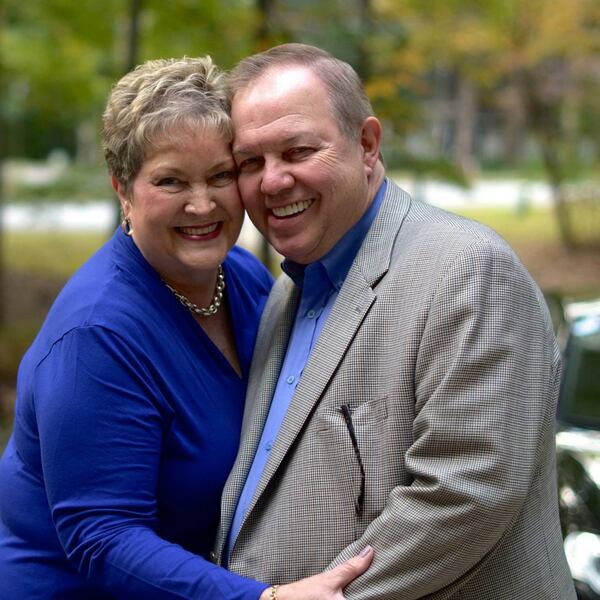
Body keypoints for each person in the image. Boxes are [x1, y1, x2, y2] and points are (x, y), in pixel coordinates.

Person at [214, 43, 577, 599]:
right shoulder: (287, 293)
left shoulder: (467, 270)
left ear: (367, 144)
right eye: (250, 163)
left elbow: (465, 491)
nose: (272, 181)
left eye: (298, 151)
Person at [0, 56, 372, 600]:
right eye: (171, 180)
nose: (203, 205)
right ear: (123, 190)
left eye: (221, 175)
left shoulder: (243, 278)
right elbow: (102, 537)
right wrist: (262, 599)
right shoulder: (96, 337)